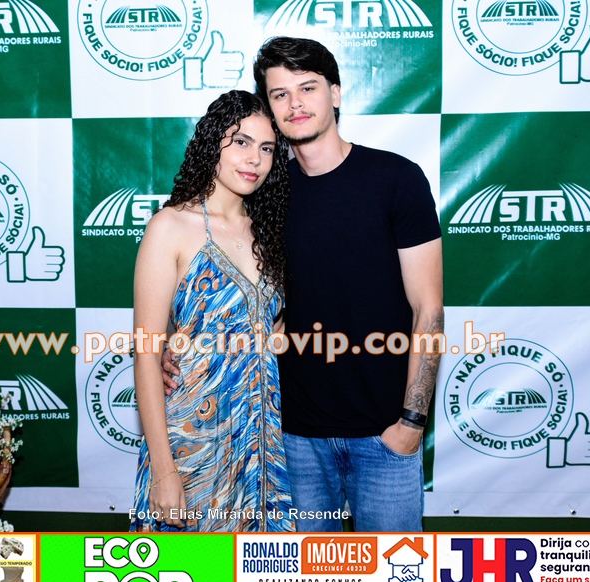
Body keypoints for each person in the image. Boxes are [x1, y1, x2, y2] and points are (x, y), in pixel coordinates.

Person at [165, 37, 443, 532]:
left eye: (308, 88)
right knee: (304, 578)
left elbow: (429, 310)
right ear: (269, 109)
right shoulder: (263, 196)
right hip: (291, 440)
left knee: (395, 578)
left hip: (384, 437)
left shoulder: (396, 179)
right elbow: (228, 291)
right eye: (280, 94)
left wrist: (411, 423)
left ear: (335, 93)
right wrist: (181, 349)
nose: (295, 103)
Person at [131, 90, 294, 532]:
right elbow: (146, 354)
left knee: (257, 571)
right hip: (192, 442)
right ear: (211, 144)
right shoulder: (170, 226)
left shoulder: (267, 231)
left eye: (267, 148)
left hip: (261, 444)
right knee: (188, 571)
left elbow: (274, 330)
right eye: (241, 142)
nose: (255, 159)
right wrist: (163, 471)